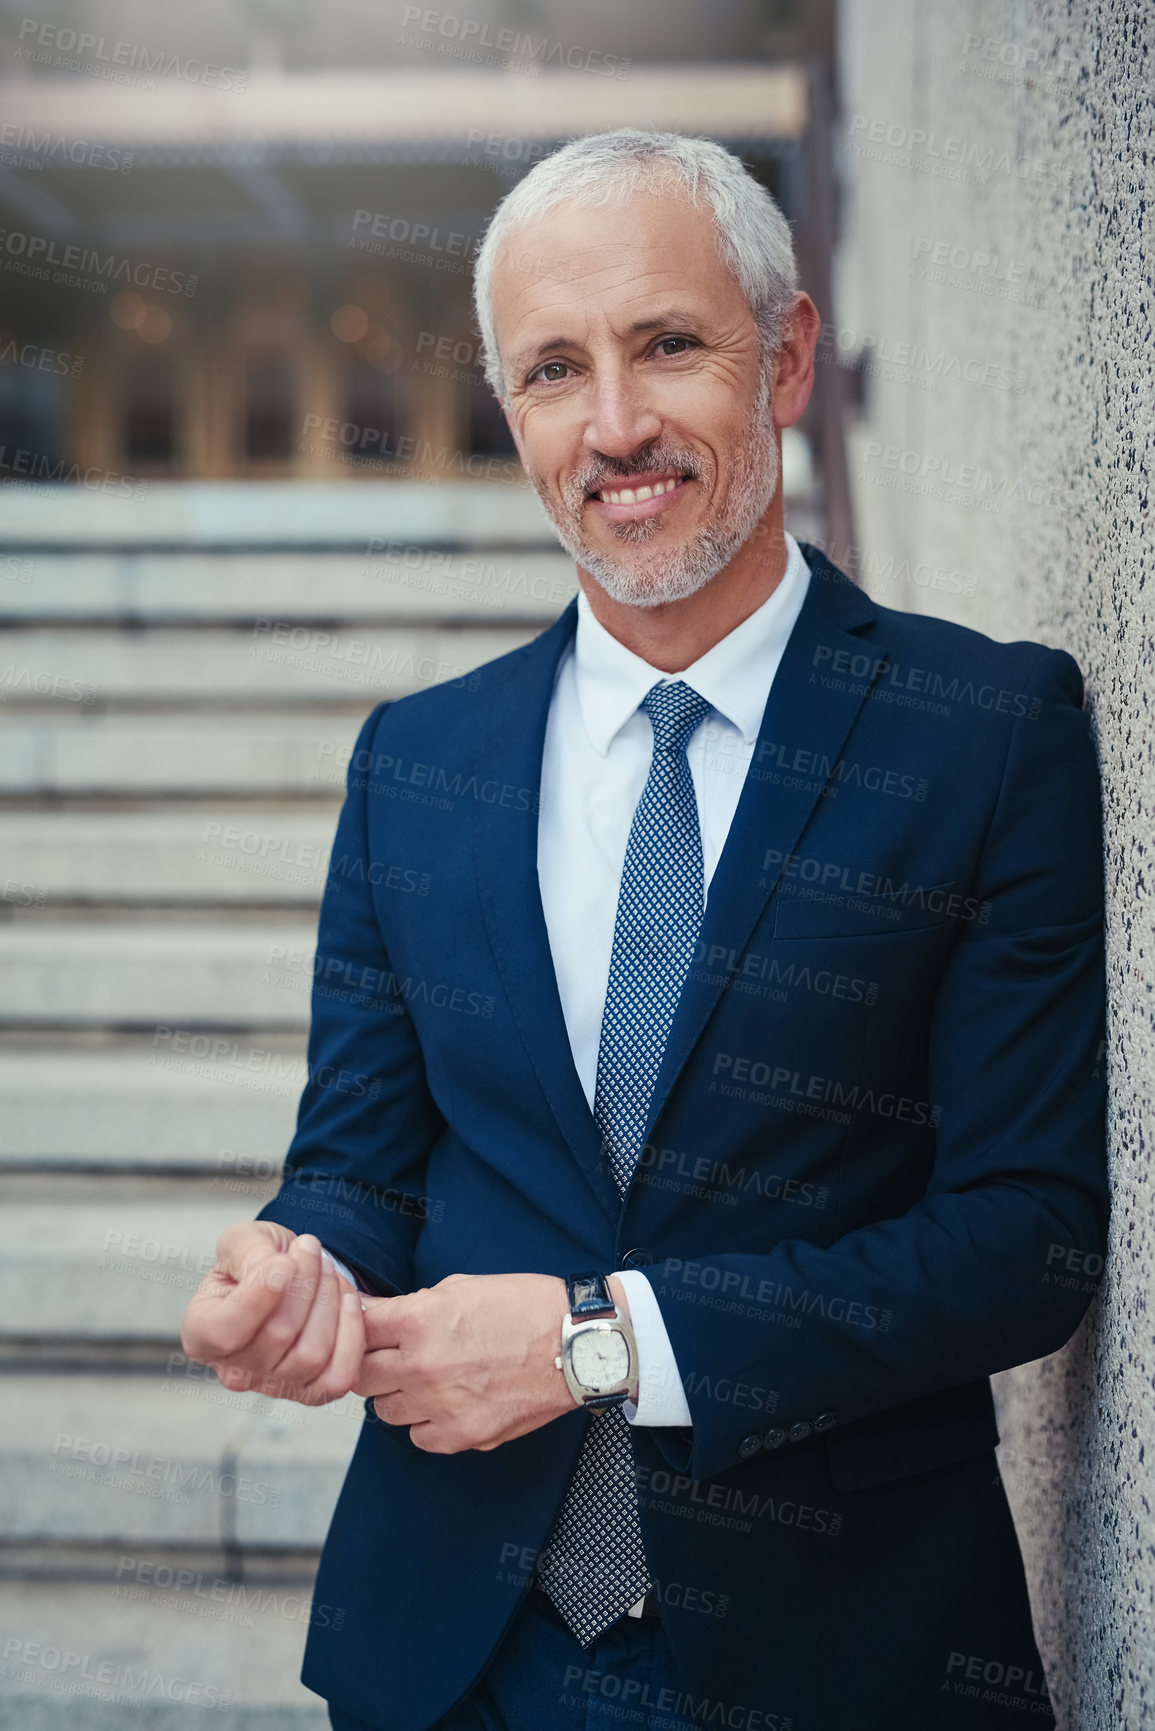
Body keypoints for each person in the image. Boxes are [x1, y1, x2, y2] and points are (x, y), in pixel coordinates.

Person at [180, 129, 1108, 1731]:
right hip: (457, 1657)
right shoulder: (420, 764)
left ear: (790, 355)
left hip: (847, 1654)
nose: (613, 426)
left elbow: (1025, 1237)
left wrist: (599, 1347)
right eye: (553, 370)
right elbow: (364, 1160)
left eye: (667, 344)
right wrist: (303, 1271)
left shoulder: (983, 730)